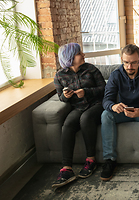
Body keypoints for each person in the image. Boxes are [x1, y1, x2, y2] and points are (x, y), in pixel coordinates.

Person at [100, 44, 139, 182]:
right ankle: (109, 160)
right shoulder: (115, 75)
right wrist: (113, 106)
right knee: (106, 114)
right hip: (123, 112)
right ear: (122, 60)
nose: (129, 67)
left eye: (133, 63)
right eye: (126, 62)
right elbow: (106, 100)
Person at [52, 43, 106, 188]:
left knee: (86, 118)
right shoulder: (59, 76)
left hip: (97, 105)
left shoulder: (91, 69)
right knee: (68, 124)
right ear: (70, 57)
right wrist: (66, 96)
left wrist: (86, 92)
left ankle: (91, 160)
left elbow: (104, 89)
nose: (83, 55)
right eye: (79, 53)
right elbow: (61, 98)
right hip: (78, 107)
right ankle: (66, 168)